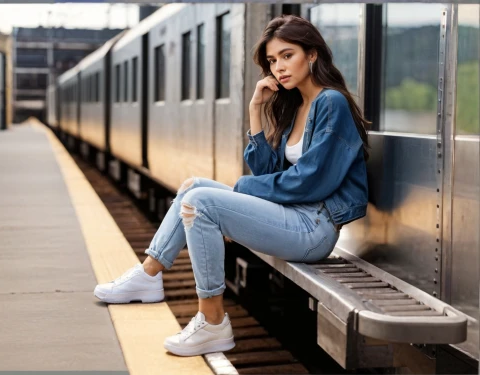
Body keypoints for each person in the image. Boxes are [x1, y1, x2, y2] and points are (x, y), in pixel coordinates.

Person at [94, 14, 369, 357]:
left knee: (202, 203)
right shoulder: (298, 105)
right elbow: (268, 170)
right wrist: (256, 109)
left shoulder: (331, 102)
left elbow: (311, 182)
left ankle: (212, 321)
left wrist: (242, 188)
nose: (279, 67)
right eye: (272, 61)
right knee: (192, 186)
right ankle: (149, 274)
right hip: (291, 215)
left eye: (287, 55)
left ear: (311, 54)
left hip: (314, 227)